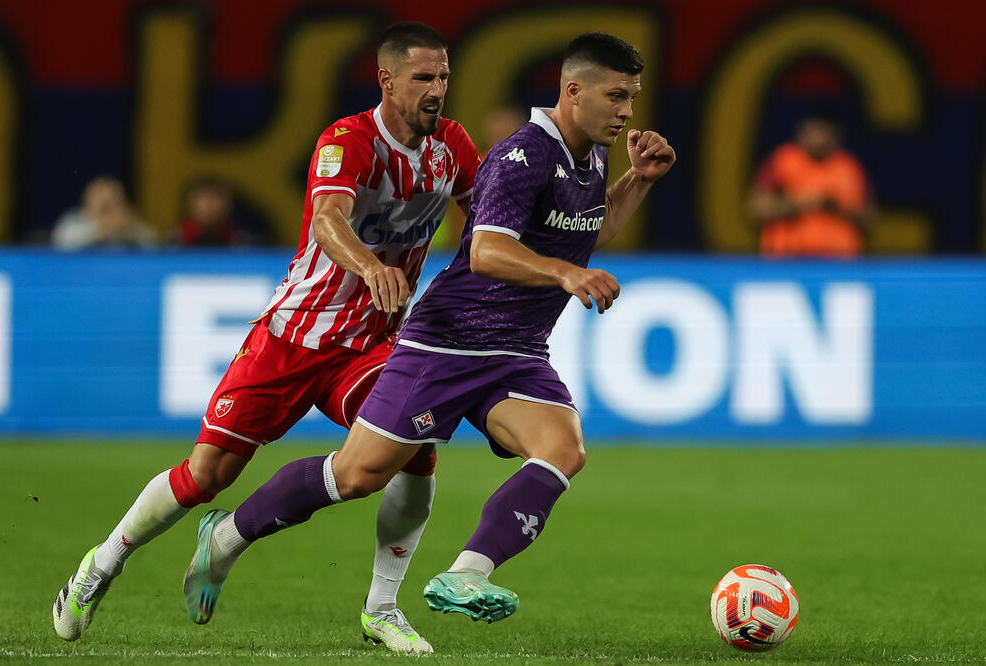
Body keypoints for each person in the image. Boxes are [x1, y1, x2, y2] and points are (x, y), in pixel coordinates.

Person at [184, 32, 675, 638]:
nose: (628, 111)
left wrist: (638, 180)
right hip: (448, 343)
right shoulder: (522, 157)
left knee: (564, 447)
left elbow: (586, 233)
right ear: (573, 91)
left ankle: (467, 573)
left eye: (633, 97)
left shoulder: (592, 156)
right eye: (616, 96)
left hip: (516, 351)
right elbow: (490, 251)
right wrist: (563, 273)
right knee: (358, 477)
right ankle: (228, 534)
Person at [52, 21, 480, 654]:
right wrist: (370, 267)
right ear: (388, 81)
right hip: (291, 337)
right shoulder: (348, 140)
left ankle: (382, 609)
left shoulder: (453, 147)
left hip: (368, 346)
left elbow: (488, 223)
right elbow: (329, 219)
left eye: (444, 76)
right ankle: (103, 564)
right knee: (206, 475)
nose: (438, 89)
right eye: (425, 77)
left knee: (414, 449)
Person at [747, 114, 875, 258]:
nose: (818, 138)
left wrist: (835, 206)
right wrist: (801, 203)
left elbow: (869, 216)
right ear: (801, 134)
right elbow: (757, 208)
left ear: (835, 136)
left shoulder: (848, 167)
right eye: (813, 132)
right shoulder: (782, 161)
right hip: (787, 261)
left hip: (839, 263)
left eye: (823, 132)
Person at [51, 176, 157, 250]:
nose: (107, 206)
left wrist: (130, 227)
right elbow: (61, 242)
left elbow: (153, 243)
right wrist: (100, 229)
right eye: (102, 200)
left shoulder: (126, 222)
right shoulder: (75, 219)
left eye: (112, 199)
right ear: (88, 199)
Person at [173, 176, 240, 247]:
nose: (208, 204)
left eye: (214, 196)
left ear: (228, 205)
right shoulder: (173, 243)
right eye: (202, 196)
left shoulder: (240, 243)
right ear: (189, 205)